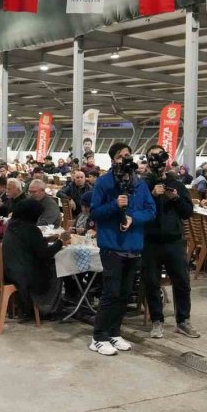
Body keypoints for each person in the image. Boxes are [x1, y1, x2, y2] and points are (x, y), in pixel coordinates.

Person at [88, 142, 156, 356]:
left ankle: (114, 332)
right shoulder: (104, 183)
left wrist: (132, 219)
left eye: (128, 154)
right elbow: (95, 212)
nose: (125, 159)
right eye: (120, 156)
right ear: (112, 160)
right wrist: (114, 205)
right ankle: (98, 337)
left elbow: (150, 210)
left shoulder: (140, 185)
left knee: (125, 294)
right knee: (111, 292)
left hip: (134, 246)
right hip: (112, 246)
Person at [142, 145, 198, 340]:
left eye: (161, 156)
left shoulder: (177, 184)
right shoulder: (142, 185)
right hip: (150, 241)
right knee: (151, 282)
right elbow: (135, 209)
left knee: (182, 282)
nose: (157, 161)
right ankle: (157, 320)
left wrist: (174, 198)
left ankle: (183, 320)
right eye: (153, 157)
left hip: (174, 241)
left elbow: (187, 212)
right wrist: (152, 195)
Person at [2, 199, 68, 317]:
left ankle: (39, 305)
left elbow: (30, 244)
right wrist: (61, 241)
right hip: (25, 275)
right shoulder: (31, 229)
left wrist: (47, 239)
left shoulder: (11, 225)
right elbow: (45, 254)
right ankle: (47, 307)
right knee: (58, 267)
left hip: (8, 270)